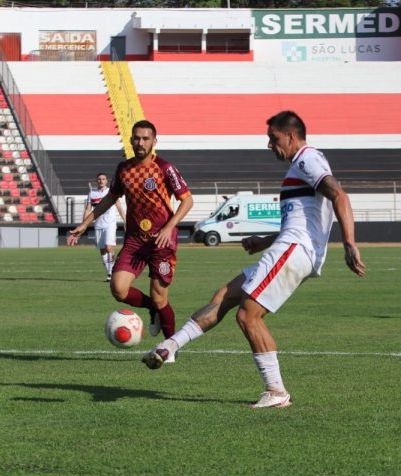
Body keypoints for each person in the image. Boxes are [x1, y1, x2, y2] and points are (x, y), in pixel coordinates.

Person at [141, 110, 366, 409]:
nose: (270, 145)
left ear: (291, 135)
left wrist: (349, 243)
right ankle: (170, 347)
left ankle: (276, 392)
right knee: (224, 295)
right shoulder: (300, 165)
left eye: (273, 139)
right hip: (289, 244)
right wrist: (264, 241)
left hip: (295, 249)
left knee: (248, 315)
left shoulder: (308, 159)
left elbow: (340, 195)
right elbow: (302, 220)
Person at [67, 120, 194, 340]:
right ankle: (152, 308)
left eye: (146, 139)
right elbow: (111, 198)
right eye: (136, 138)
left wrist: (169, 227)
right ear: (131, 140)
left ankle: (170, 347)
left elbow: (187, 201)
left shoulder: (165, 168)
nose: (140, 143)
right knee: (118, 289)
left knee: (160, 296)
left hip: (161, 242)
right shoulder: (124, 169)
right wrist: (85, 223)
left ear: (154, 141)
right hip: (135, 241)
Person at [84, 173, 126, 282]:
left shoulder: (111, 192)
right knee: (102, 250)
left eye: (103, 179)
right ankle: (109, 272)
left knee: (109, 247)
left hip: (110, 224)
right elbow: (88, 210)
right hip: (98, 224)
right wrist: (84, 224)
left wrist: (126, 220)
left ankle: (112, 271)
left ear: (106, 181)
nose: (101, 181)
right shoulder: (92, 194)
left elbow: (120, 208)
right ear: (96, 181)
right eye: (99, 179)